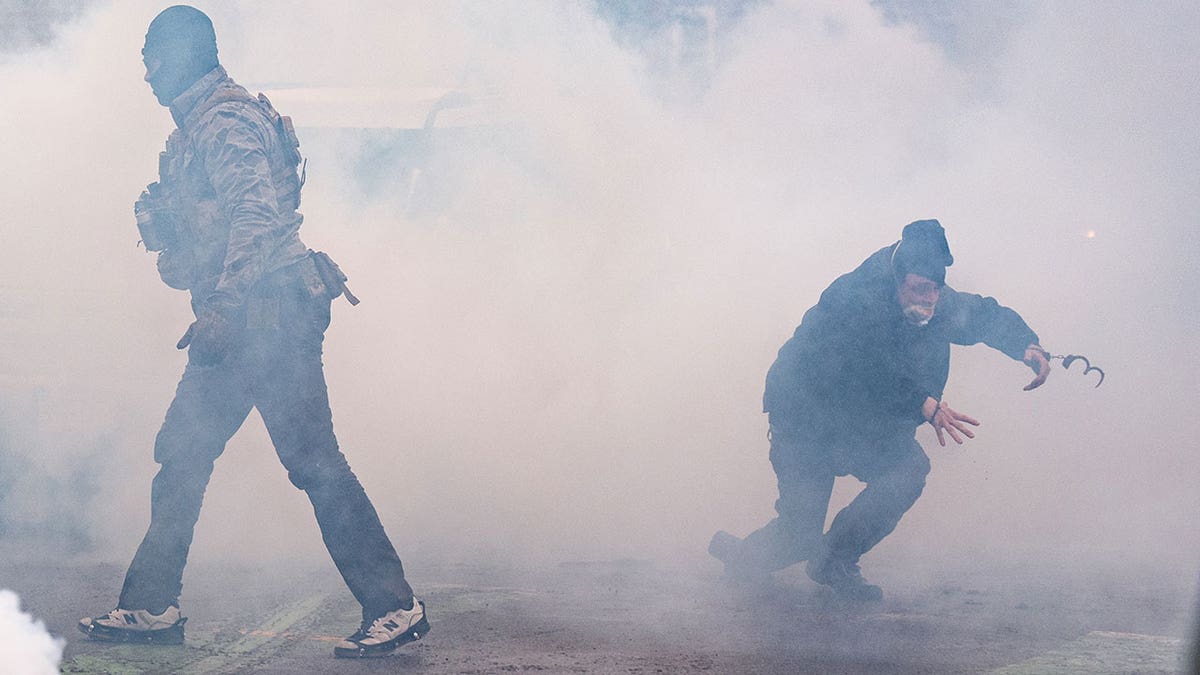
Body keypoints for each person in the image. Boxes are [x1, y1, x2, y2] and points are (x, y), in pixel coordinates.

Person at [78, 6, 427, 658]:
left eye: (155, 58)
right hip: (243, 320)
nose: (147, 73)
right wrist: (172, 236)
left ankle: (393, 605)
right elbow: (207, 238)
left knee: (313, 462)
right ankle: (151, 603)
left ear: (185, 56)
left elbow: (257, 217)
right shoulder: (194, 130)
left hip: (269, 316)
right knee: (183, 451)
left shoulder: (225, 123)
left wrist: (222, 307)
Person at [709, 219, 1052, 601]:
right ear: (897, 280)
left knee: (907, 470)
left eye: (935, 290)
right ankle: (742, 559)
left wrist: (1027, 346)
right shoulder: (852, 299)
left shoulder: (932, 296)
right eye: (919, 290)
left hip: (864, 420)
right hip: (805, 415)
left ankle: (833, 560)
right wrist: (921, 402)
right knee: (798, 533)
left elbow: (981, 315)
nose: (929, 301)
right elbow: (857, 366)